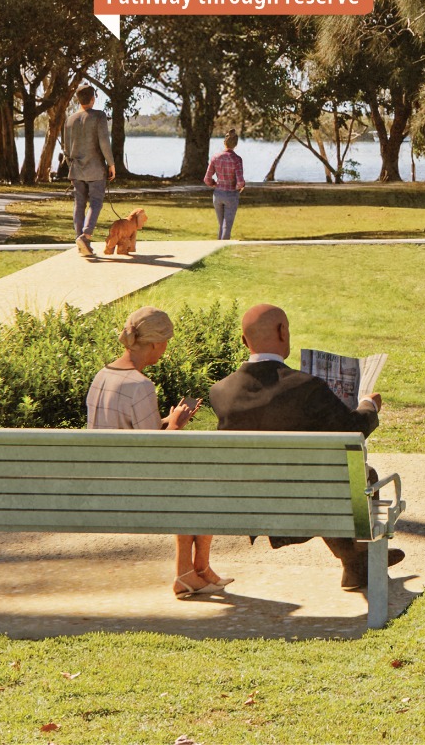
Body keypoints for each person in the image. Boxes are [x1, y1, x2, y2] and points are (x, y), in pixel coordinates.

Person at [207, 303, 404, 592]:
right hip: (305, 504)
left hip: (249, 506)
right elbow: (353, 430)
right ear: (282, 332)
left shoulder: (220, 391)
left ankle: (356, 563)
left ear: (243, 340)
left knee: (327, 479)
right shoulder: (305, 386)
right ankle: (358, 562)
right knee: (360, 476)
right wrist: (369, 405)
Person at [85, 307, 221, 597]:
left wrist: (169, 422)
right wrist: (173, 426)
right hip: (130, 488)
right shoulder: (141, 386)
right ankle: (191, 572)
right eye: (166, 343)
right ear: (157, 343)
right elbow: (156, 452)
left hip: (101, 477)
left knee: (194, 483)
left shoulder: (102, 376)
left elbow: (128, 433)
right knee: (205, 484)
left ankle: (193, 573)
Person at [64, 84, 116, 257]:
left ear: (78, 99)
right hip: (95, 169)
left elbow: (66, 148)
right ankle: (86, 236)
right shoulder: (99, 116)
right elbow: (104, 142)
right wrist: (111, 164)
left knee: (79, 204)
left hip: (76, 169)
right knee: (96, 202)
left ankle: (80, 242)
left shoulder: (70, 119)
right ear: (93, 98)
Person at [204, 131, 246, 240]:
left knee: (221, 226)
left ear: (224, 142)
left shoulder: (215, 157)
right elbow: (240, 182)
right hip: (231, 195)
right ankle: (223, 249)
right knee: (226, 227)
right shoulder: (237, 159)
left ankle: (218, 249)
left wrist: (214, 184)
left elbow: (207, 179)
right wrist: (239, 188)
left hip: (218, 194)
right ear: (236, 144)